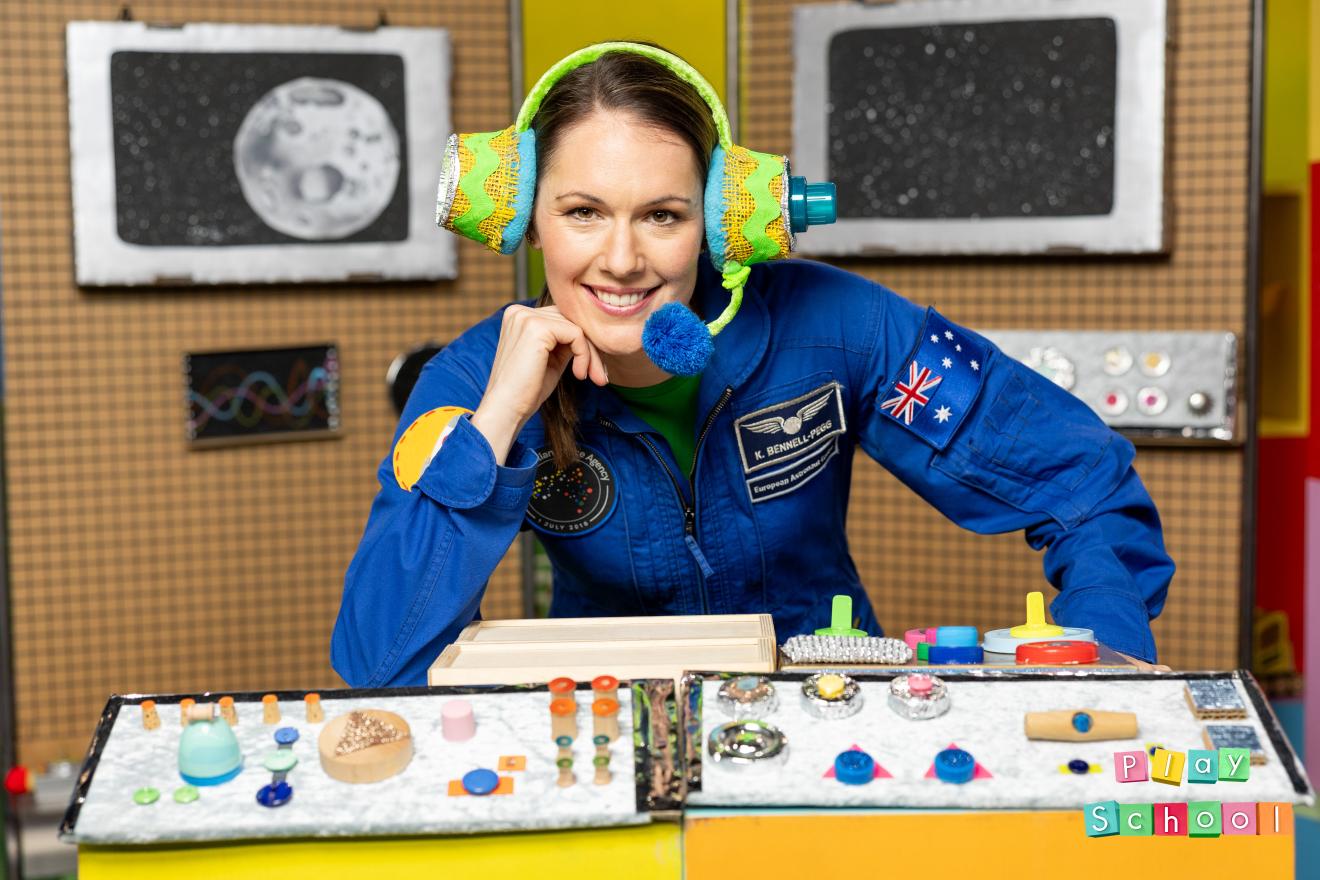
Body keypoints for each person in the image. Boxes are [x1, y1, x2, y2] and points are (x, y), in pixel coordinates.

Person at [330, 43, 1175, 688]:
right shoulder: (475, 383)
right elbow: (379, 661)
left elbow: (1081, 485)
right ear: (523, 217)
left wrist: (1106, 668)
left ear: (724, 222)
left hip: (826, 704)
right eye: (582, 212)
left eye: (662, 215)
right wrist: (497, 423)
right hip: (602, 718)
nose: (620, 260)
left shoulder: (840, 324)